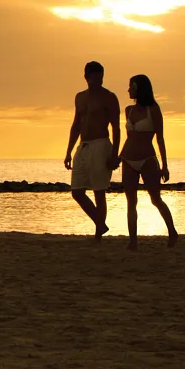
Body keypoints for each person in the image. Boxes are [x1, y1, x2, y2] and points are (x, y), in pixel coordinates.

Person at [118, 74, 179, 251]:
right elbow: (129, 138)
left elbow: (160, 138)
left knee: (155, 199)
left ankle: (172, 232)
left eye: (132, 86)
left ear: (140, 88)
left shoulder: (153, 110)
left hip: (147, 159)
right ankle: (133, 241)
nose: (129, 90)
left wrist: (165, 166)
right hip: (128, 159)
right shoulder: (128, 110)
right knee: (131, 202)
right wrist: (119, 156)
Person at [62, 61, 119, 237]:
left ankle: (98, 234)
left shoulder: (109, 97)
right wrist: (68, 151)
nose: (98, 80)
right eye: (95, 76)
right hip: (84, 145)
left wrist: (114, 155)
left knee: (99, 191)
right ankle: (100, 224)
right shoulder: (80, 97)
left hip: (101, 144)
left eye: (101, 76)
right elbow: (76, 124)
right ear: (87, 77)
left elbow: (116, 127)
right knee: (77, 191)